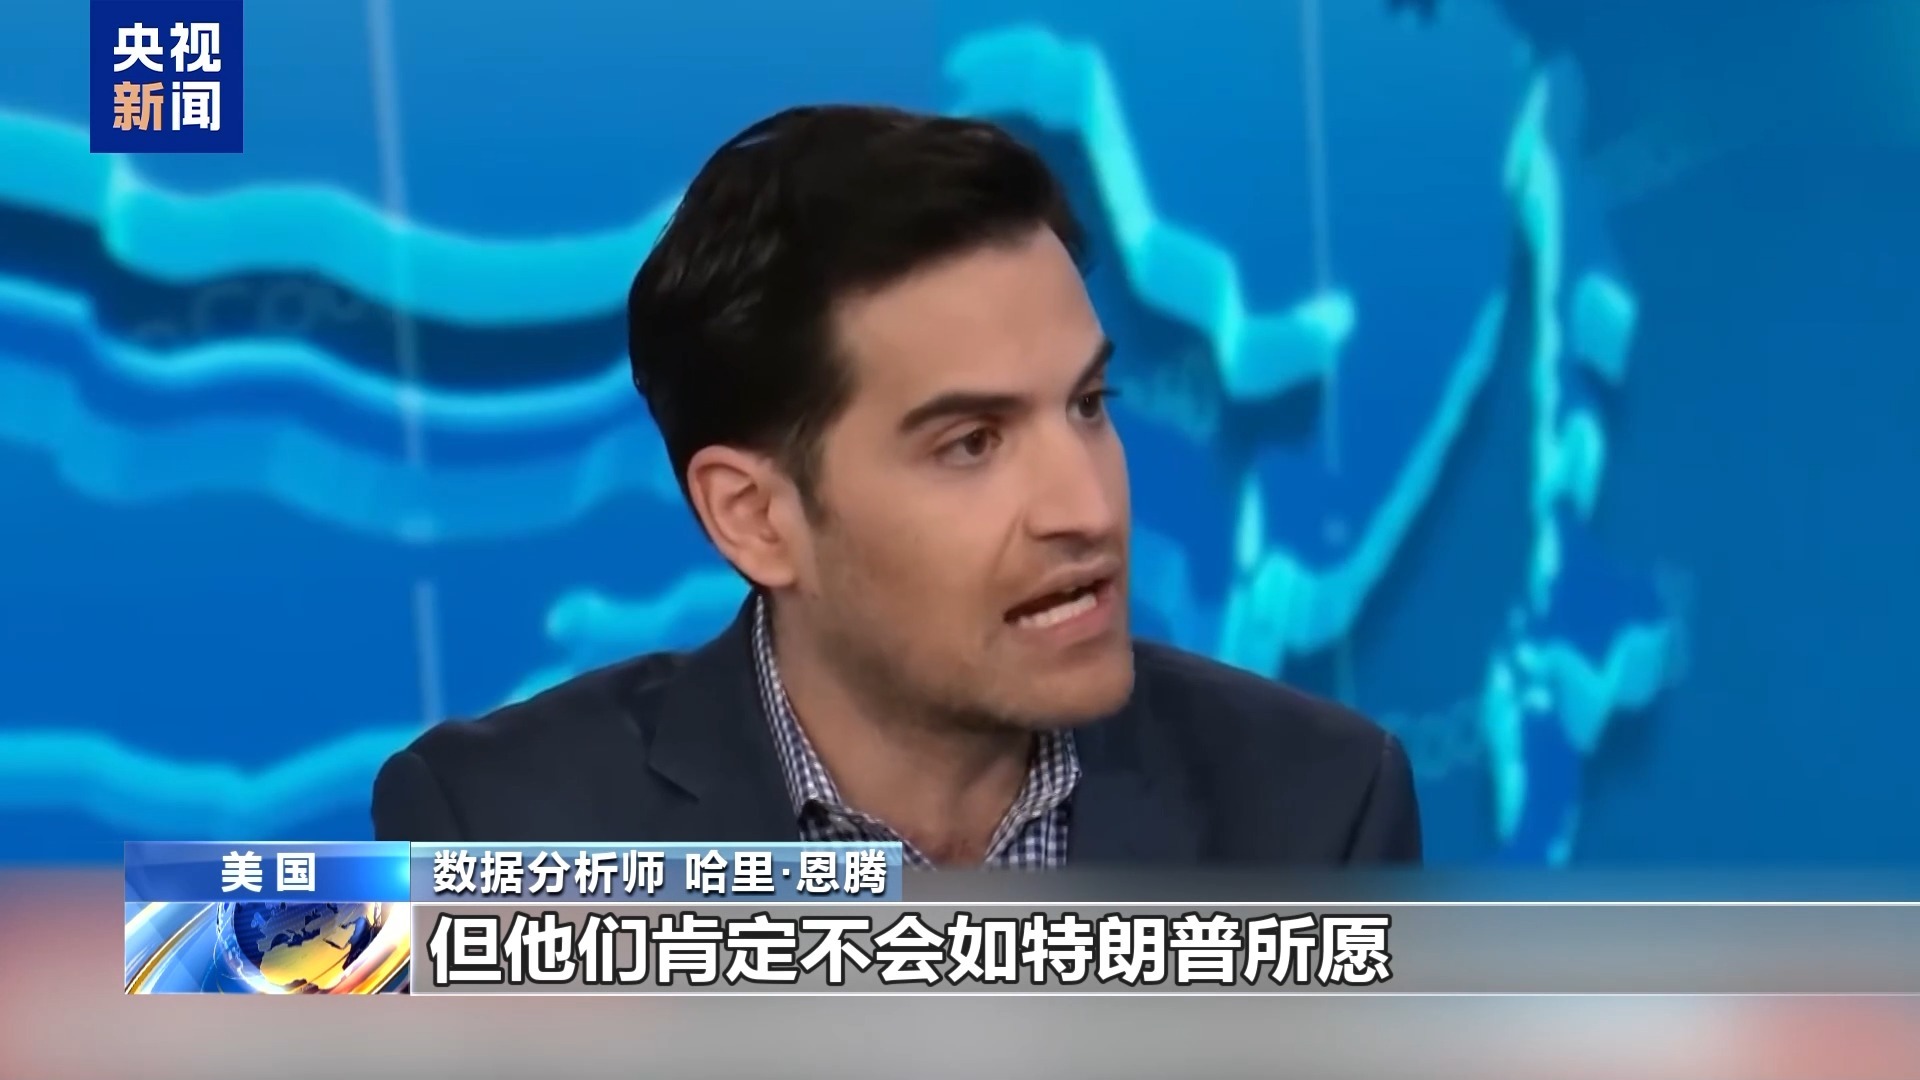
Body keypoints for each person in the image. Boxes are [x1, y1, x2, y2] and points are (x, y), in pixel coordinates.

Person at [372, 105, 1422, 867]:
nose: (1089, 510)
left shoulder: (1319, 813)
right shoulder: (489, 830)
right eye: (971, 444)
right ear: (756, 516)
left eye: (1088, 405)